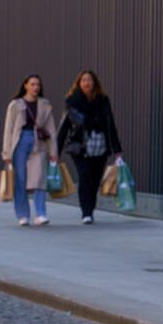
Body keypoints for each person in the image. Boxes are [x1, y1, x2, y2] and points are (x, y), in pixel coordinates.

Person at [56, 70, 122, 225]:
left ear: (95, 83)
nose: (87, 83)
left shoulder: (103, 101)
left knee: (95, 179)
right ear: (79, 84)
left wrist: (117, 149)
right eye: (83, 80)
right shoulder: (72, 102)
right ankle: (86, 212)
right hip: (80, 146)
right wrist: (56, 151)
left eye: (89, 80)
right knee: (85, 176)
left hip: (100, 145)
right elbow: (64, 127)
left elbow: (110, 124)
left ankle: (90, 208)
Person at [0, 73, 58, 226]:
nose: (36, 87)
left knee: (39, 177)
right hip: (20, 141)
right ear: (25, 85)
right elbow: (9, 129)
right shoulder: (15, 105)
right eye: (32, 84)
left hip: (39, 142)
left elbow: (51, 129)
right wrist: (6, 152)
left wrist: (53, 152)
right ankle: (23, 214)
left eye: (38, 85)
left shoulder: (45, 104)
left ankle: (41, 213)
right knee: (21, 178)